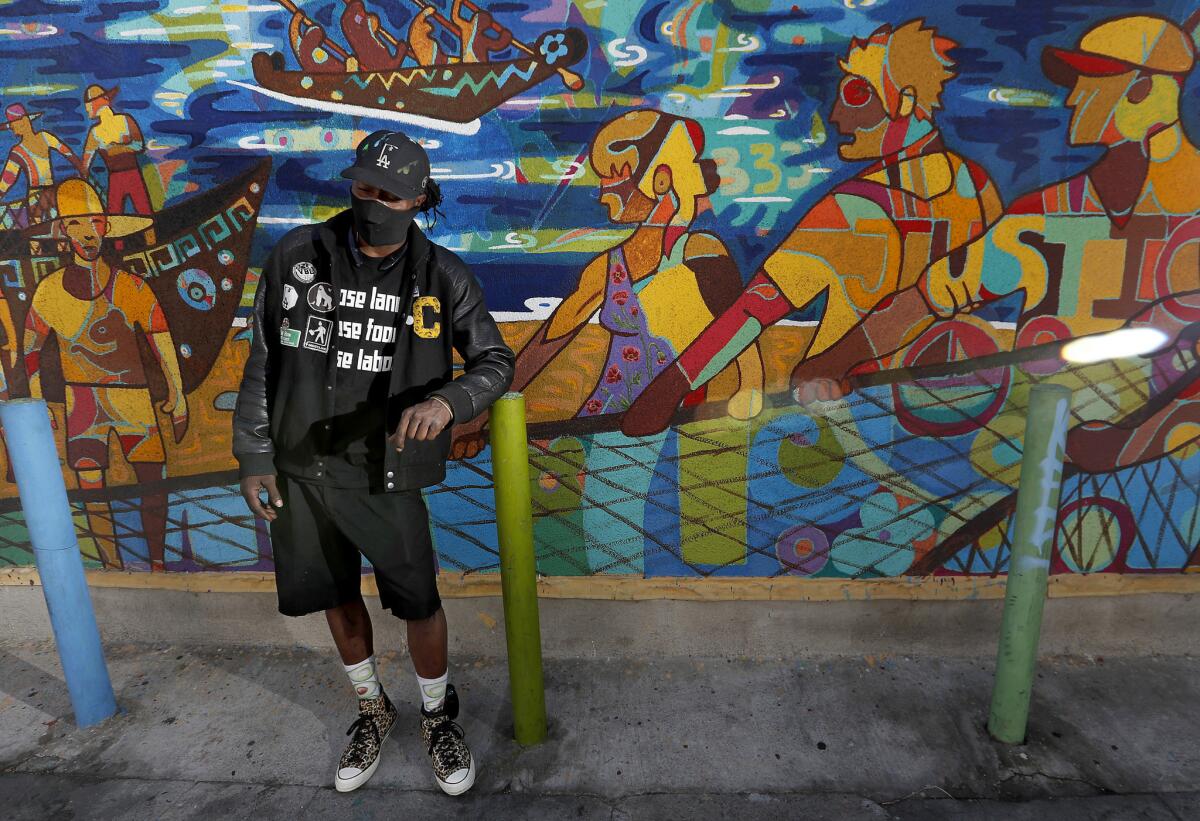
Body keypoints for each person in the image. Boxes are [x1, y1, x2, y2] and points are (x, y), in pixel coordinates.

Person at [785, 14, 1200, 472]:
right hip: (1050, 469)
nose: (1076, 97)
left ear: (1143, 91)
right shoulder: (1045, 215)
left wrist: (1134, 441)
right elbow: (933, 297)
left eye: (1093, 81)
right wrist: (835, 360)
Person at [233, 130, 514, 795]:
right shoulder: (299, 254)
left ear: (419, 199)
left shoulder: (442, 275)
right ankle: (372, 707)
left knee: (418, 597)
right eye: (363, 187)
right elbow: (264, 358)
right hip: (302, 468)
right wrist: (253, 451)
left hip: (385, 470)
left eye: (390, 194)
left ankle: (438, 715)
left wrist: (450, 403)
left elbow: (495, 361)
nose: (374, 203)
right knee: (332, 591)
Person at [621, 20, 1003, 437]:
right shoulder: (978, 187)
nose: (838, 114)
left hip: (841, 421)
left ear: (906, 102)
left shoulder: (851, 209)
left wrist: (670, 386)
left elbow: (754, 310)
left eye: (858, 93)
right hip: (948, 412)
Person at [453, 109, 764, 573]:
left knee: (650, 532)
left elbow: (743, 331)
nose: (601, 191)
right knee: (584, 528)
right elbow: (544, 344)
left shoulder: (701, 253)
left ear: (659, 181)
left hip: (676, 418)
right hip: (605, 422)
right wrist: (476, 411)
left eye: (614, 178)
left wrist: (750, 396)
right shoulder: (608, 266)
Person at [18, 178, 184, 571]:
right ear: (62, 232)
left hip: (134, 397)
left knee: (154, 486)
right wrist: (38, 399)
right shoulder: (49, 291)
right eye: (76, 224)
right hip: (83, 404)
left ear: (106, 227)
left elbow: (162, 341)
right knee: (92, 489)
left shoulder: (132, 286)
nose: (87, 233)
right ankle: (111, 565)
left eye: (94, 221)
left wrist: (176, 393)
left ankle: (158, 564)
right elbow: (29, 352)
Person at [0, 102, 83, 225]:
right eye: (13, 125)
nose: (15, 127)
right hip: (36, 194)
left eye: (16, 123)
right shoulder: (17, 151)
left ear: (26, 120)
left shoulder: (44, 137)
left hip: (47, 192)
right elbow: (7, 180)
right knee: (38, 229)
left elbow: (67, 153)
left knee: (56, 228)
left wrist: (82, 169)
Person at [80, 85, 154, 216]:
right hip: (115, 178)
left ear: (99, 101)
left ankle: (151, 236)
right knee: (114, 217)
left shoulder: (125, 120)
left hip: (133, 174)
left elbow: (139, 145)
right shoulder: (94, 133)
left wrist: (117, 148)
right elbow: (86, 162)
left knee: (145, 213)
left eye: (89, 105)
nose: (87, 110)